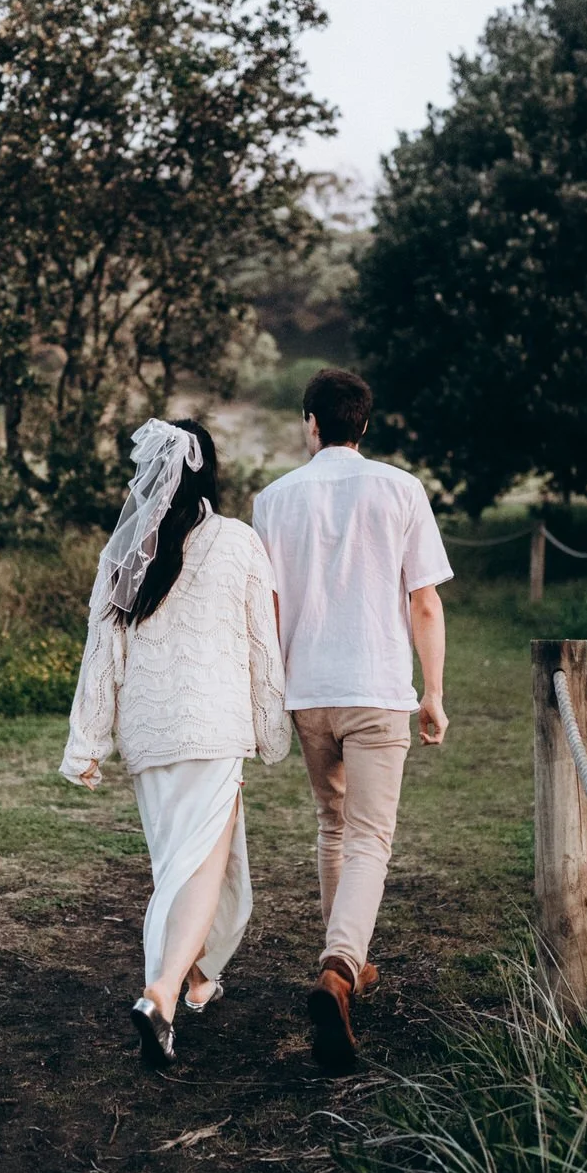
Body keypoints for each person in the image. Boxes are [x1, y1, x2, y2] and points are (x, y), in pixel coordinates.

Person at [61, 418, 291, 1069]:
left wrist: (88, 743)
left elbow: (101, 654)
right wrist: (270, 726)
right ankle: (161, 992)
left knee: (180, 866)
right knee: (200, 869)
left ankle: (195, 980)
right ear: (207, 471)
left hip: (149, 733)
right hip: (213, 730)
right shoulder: (238, 541)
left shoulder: (125, 553)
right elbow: (262, 642)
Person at [251, 368, 451, 1070]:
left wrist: (269, 689)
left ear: (311, 423)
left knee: (333, 824)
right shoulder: (401, 489)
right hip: (377, 689)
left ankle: (349, 961)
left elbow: (269, 608)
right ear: (363, 424)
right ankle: (340, 967)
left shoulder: (273, 500)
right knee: (370, 837)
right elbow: (424, 601)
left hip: (308, 690)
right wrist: (433, 692)